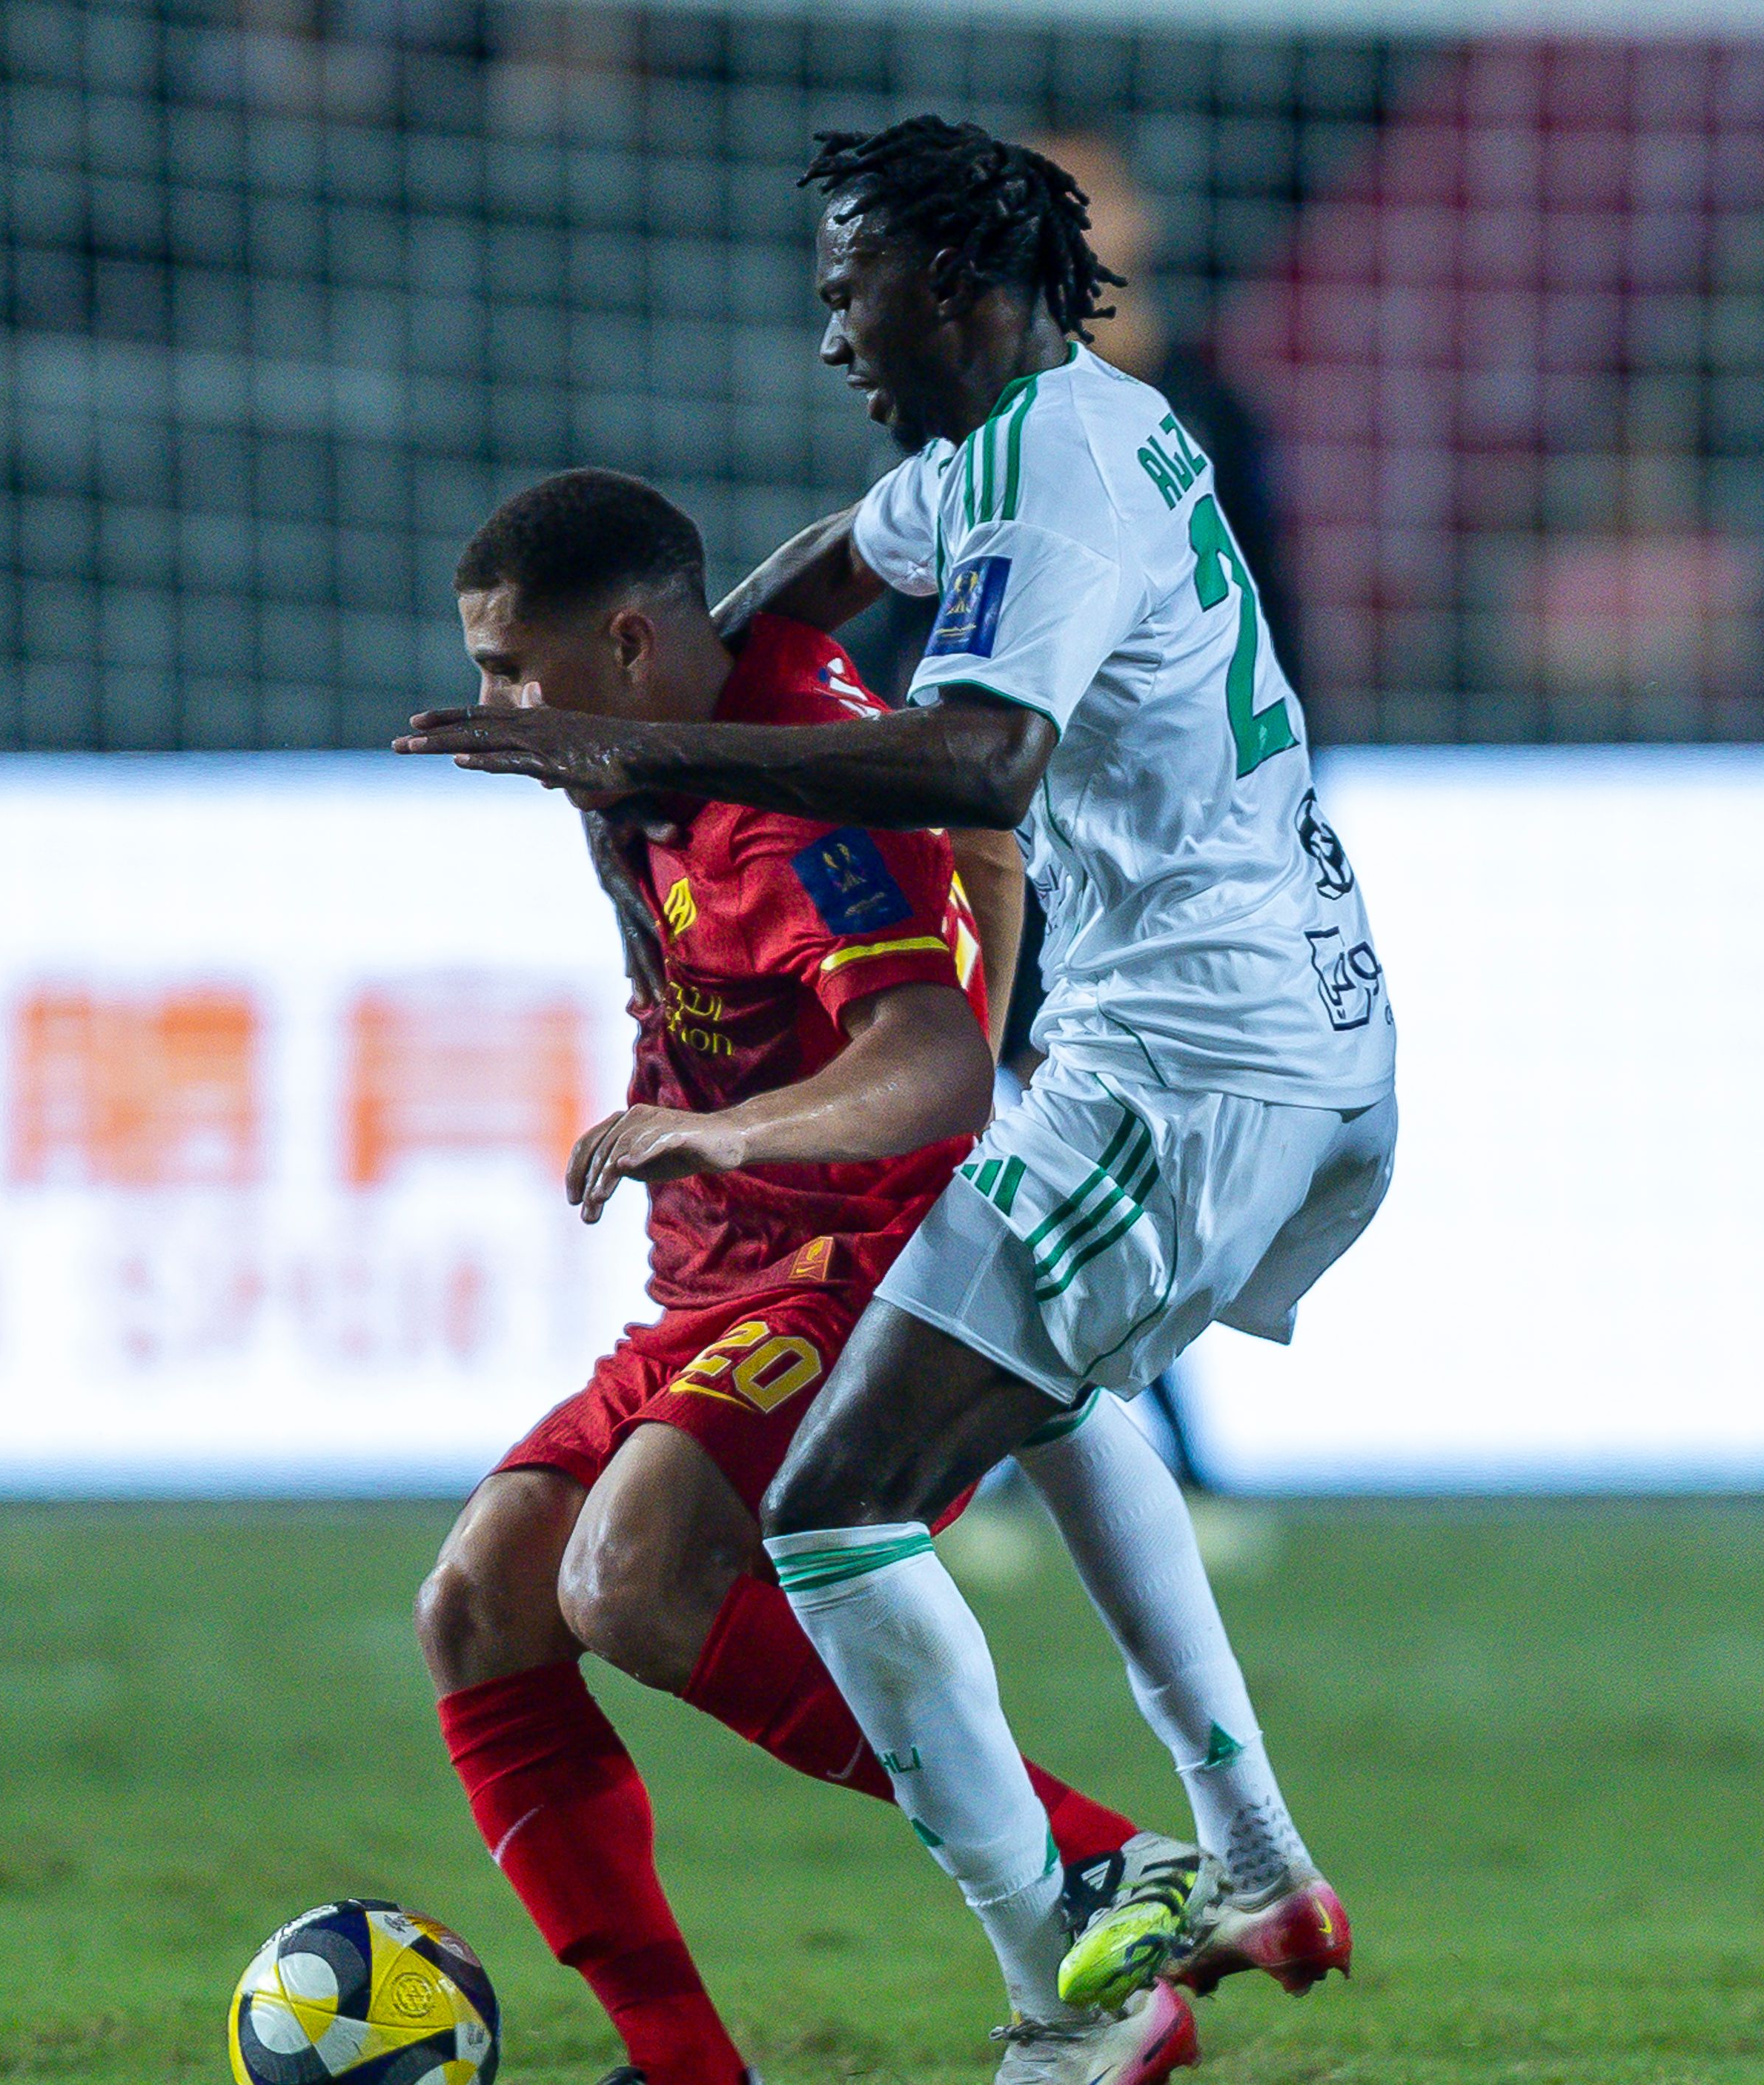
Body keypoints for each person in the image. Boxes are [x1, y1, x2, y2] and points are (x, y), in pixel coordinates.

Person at [401, 117, 1388, 2085]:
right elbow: (837, 560)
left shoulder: (1059, 491)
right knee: (527, 1588)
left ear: (950, 285)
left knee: (824, 1518)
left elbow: (987, 771)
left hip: (1210, 1042)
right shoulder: (999, 456)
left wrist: (662, 728)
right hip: (1195, 1020)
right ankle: (1240, 1860)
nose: (831, 329)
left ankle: (1083, 1978)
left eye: (850, 285)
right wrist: (704, 682)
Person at [413, 468, 1203, 2085]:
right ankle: (684, 2070)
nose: (491, 706)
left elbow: (929, 1068)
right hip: (728, 1273)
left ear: (630, 644)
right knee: (481, 1605)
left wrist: (723, 1135)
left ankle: (1095, 1867)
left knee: (629, 1579)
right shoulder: (646, 756)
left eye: (512, 668)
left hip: (865, 1258)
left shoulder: (794, 802)